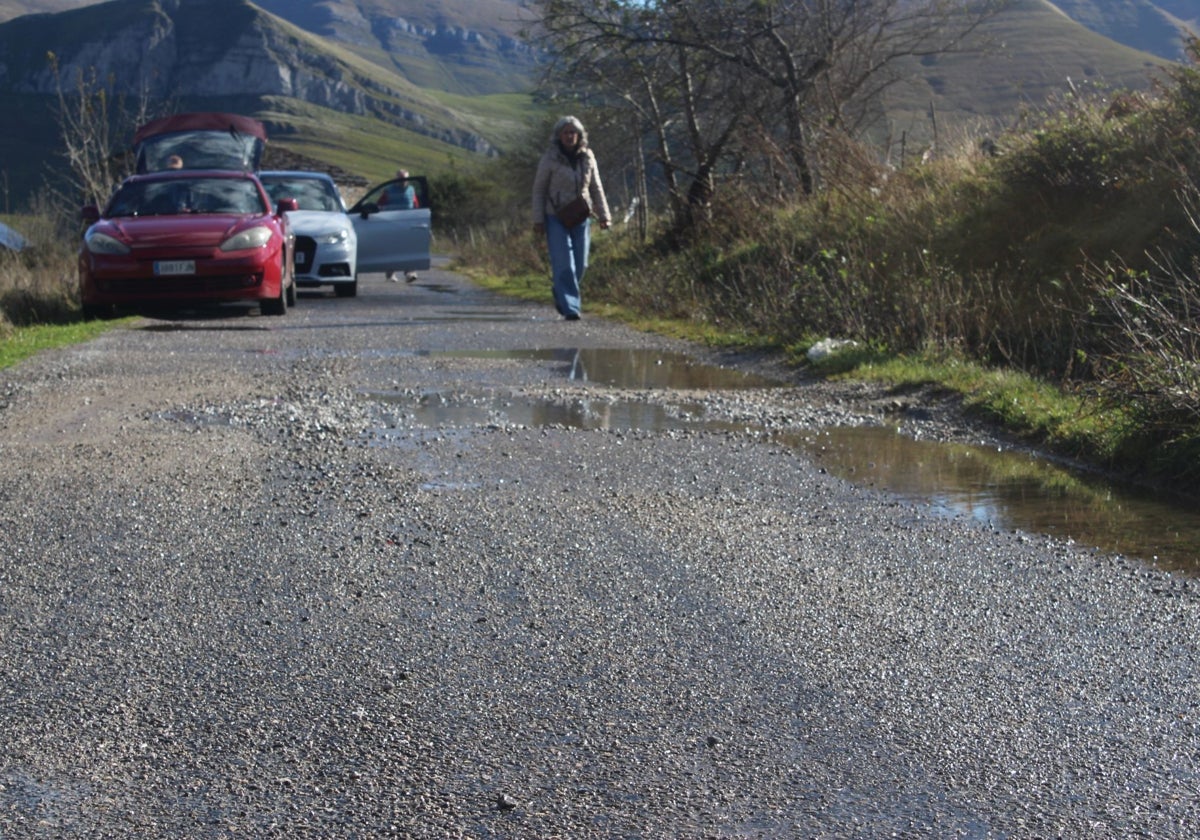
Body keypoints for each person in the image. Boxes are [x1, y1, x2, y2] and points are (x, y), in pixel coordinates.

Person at [531, 115, 611, 320]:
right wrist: (538, 220)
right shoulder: (550, 158)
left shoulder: (588, 157)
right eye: (565, 132)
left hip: (581, 215)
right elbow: (539, 190)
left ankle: (561, 291)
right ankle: (571, 308)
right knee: (564, 263)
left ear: (579, 135)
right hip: (555, 216)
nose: (569, 136)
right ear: (559, 136)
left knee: (581, 263)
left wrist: (604, 215)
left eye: (572, 132)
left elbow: (596, 187)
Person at [385, 169, 420, 282]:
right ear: (396, 179)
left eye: (405, 179)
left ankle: (410, 273)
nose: (403, 181)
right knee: (394, 249)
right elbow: (380, 204)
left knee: (410, 249)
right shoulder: (389, 190)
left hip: (408, 223)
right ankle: (390, 274)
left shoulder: (411, 190)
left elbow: (415, 204)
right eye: (401, 179)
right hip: (392, 223)